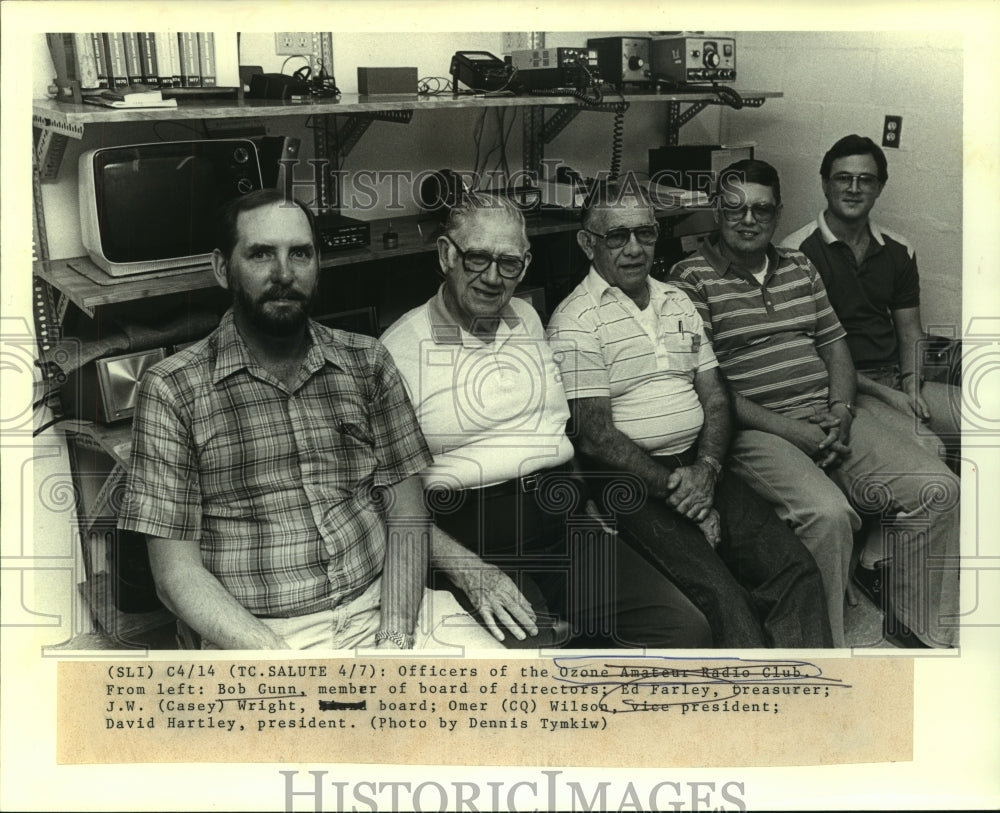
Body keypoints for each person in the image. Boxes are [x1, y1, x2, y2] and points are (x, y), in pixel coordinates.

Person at [118, 188, 501, 651]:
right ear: (223, 269)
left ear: (318, 264)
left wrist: (395, 639)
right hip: (260, 635)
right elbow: (175, 576)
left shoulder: (367, 361)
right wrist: (281, 661)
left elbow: (406, 514)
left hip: (390, 607)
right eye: (261, 254)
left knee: (511, 715)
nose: (284, 274)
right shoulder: (172, 389)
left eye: (300, 254)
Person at [381, 193, 713, 648]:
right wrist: (469, 570)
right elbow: (384, 497)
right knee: (536, 666)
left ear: (526, 263)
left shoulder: (529, 320)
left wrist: (588, 511)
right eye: (477, 258)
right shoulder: (397, 350)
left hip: (563, 524)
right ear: (446, 255)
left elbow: (555, 428)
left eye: (510, 263)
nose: (493, 278)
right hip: (473, 540)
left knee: (682, 629)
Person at [671, 159, 960, 648]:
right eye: (735, 208)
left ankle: (919, 621)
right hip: (756, 430)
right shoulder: (688, 279)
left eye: (761, 209)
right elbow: (711, 388)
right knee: (828, 515)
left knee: (940, 488)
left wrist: (842, 412)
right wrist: (795, 432)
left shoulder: (800, 266)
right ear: (718, 212)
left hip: (828, 413)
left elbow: (834, 348)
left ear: (778, 213)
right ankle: (820, 648)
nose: (748, 219)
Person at [546, 182, 833, 649]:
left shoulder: (676, 299)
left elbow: (716, 397)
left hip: (700, 466)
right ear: (588, 243)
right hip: (632, 483)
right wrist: (683, 495)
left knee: (793, 568)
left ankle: (802, 699)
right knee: (722, 597)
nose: (636, 249)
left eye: (646, 233)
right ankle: (748, 714)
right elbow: (594, 435)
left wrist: (708, 470)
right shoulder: (575, 320)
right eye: (618, 236)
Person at [780, 134, 961, 453]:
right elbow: (807, 352)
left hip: (894, 376)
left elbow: (909, 333)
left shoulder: (899, 249)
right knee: (931, 448)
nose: (853, 188)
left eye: (865, 179)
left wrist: (910, 384)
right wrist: (887, 395)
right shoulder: (795, 253)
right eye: (843, 178)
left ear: (879, 188)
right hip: (840, 387)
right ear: (825, 184)